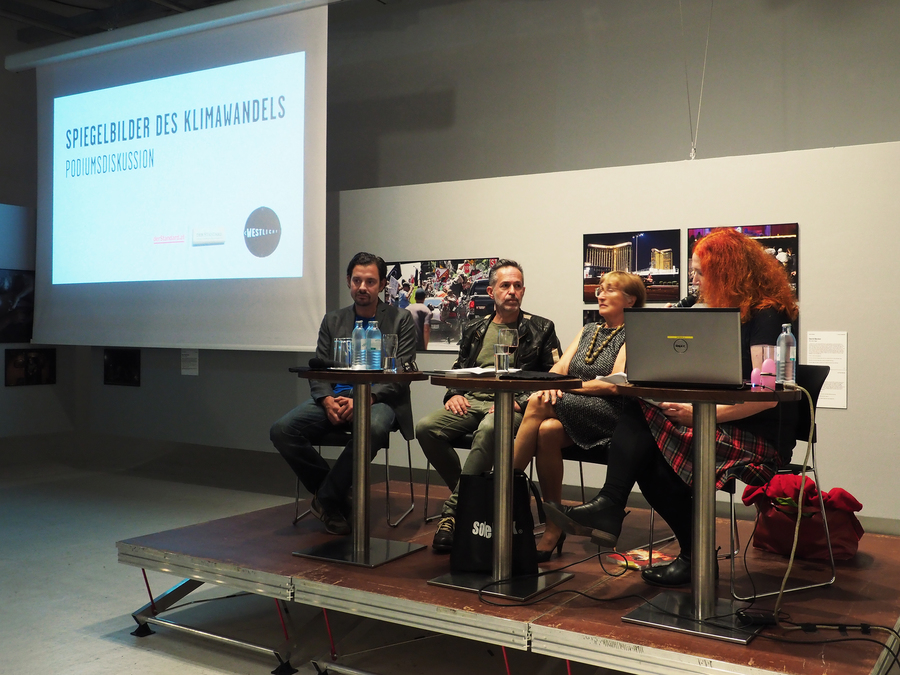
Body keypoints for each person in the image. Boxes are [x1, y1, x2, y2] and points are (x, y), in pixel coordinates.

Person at [546, 228, 799, 587]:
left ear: (726, 271)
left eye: (699, 273)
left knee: (641, 423)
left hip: (753, 432)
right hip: (715, 420)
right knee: (647, 455)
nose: (694, 281)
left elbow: (766, 395)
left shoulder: (767, 315)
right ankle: (689, 554)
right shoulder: (725, 313)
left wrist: (699, 414)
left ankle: (612, 505)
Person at [416, 259, 562, 552]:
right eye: (505, 286)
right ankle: (475, 499)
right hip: (471, 401)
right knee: (426, 428)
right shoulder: (474, 327)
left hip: (513, 406)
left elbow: (553, 377)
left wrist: (520, 403)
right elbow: (459, 368)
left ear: (523, 291)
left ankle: (453, 513)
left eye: (518, 286)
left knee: (489, 429)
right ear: (491, 291)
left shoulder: (541, 328)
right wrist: (453, 393)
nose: (512, 291)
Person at [270, 252, 417, 535]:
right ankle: (335, 496)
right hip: (334, 397)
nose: (363, 287)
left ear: (382, 284)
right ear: (348, 281)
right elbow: (319, 368)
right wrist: (326, 400)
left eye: (370, 281)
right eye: (357, 280)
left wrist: (365, 399)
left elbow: (403, 373)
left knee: (372, 428)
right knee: (282, 430)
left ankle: (326, 499)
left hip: (379, 398)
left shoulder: (401, 319)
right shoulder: (333, 320)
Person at [513, 271, 646, 562]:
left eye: (609, 290)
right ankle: (553, 526)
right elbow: (558, 370)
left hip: (614, 413)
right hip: (577, 405)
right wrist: (555, 386)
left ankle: (503, 485)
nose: (601, 295)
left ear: (630, 300)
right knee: (547, 430)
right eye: (600, 289)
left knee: (537, 401)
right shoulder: (589, 330)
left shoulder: (635, 332)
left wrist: (563, 389)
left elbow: (614, 385)